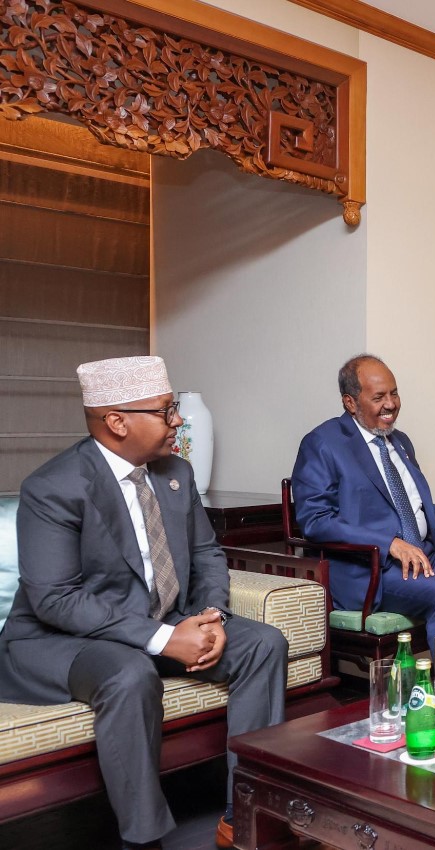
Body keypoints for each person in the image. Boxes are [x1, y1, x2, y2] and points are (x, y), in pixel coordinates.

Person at [0, 356, 287, 850]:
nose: (177, 420)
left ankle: (246, 815)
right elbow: (57, 600)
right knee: (129, 673)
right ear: (117, 422)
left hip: (155, 622)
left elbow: (205, 553)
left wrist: (212, 617)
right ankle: (144, 839)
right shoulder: (54, 487)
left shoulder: (175, 472)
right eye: (165, 410)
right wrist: (166, 638)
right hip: (62, 640)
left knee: (263, 643)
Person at [292, 354, 435, 668]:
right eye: (378, 397)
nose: (391, 404)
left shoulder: (400, 441)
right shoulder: (323, 443)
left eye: (394, 393)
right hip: (374, 571)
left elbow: (414, 507)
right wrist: (387, 542)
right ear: (350, 402)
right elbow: (315, 521)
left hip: (426, 558)